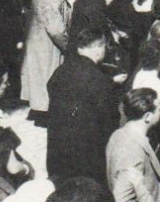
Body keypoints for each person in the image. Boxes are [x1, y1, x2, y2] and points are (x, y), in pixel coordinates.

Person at [45, 28, 116, 186]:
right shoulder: (99, 80)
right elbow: (108, 121)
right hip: (87, 155)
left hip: (59, 149)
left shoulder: (60, 71)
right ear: (98, 49)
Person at [20, 0, 73, 121]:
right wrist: (68, 46)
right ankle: (44, 114)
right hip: (45, 43)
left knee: (43, 75)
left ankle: (42, 110)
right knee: (45, 76)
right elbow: (55, 28)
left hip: (43, 41)